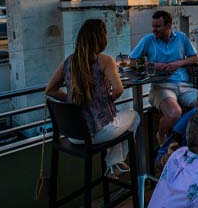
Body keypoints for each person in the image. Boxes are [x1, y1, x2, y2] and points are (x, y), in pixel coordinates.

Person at [45, 19, 140, 178]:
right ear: (100, 39)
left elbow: (50, 90)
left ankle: (114, 164)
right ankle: (114, 162)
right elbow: (118, 89)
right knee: (135, 117)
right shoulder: (104, 60)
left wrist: (70, 100)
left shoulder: (69, 61)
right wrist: (104, 102)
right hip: (96, 133)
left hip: (74, 135)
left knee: (116, 120)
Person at [130, 10, 198, 144]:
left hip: (184, 86)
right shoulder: (148, 40)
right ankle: (161, 135)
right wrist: (155, 65)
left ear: (168, 26)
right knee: (174, 113)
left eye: (157, 26)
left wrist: (178, 63)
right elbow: (132, 61)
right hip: (161, 87)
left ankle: (188, 139)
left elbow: (194, 58)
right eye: (153, 26)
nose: (154, 30)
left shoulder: (181, 37)